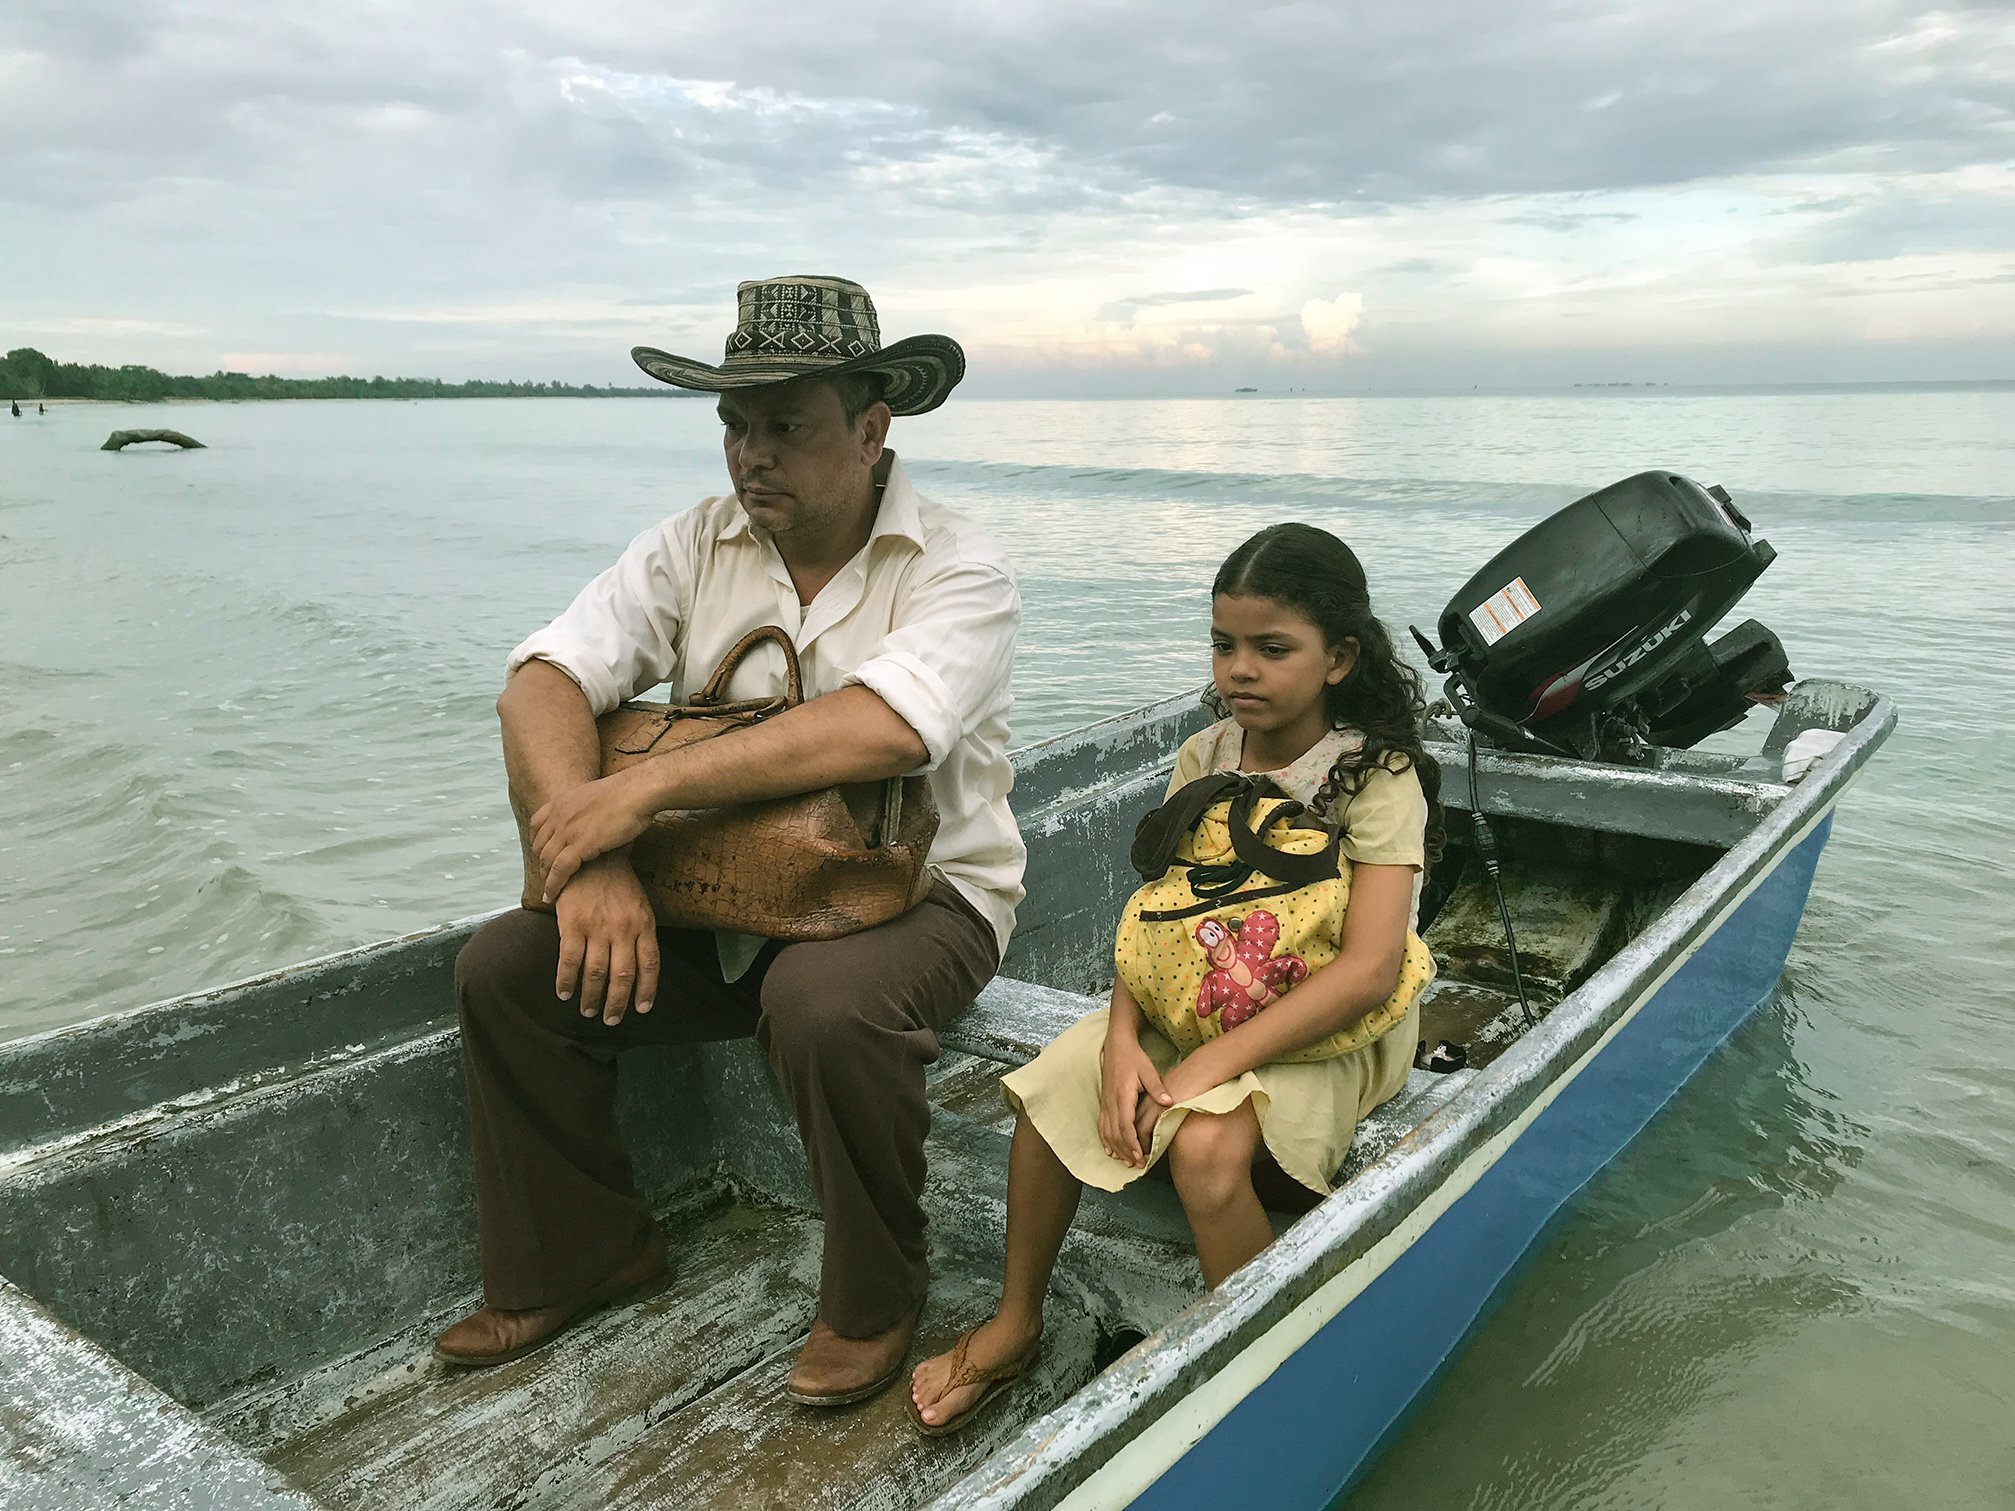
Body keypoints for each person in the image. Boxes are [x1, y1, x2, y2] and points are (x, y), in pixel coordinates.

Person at [436, 276, 1026, 1410]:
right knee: (504, 971)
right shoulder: (692, 545)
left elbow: (885, 725)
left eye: (785, 425)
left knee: (820, 999)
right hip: (725, 889)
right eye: (734, 424)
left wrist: (638, 794)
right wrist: (594, 857)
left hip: (921, 896)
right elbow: (541, 685)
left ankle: (873, 1291)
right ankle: (588, 1250)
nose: (750, 455)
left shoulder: (958, 568)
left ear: (869, 428)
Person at [909, 522, 1444, 1433]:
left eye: (1273, 649)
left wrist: (1198, 1072)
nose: (1240, 669)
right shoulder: (1204, 758)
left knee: (1204, 1145)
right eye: (1223, 644)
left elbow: (1366, 972)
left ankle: (1255, 1359)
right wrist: (1122, 1041)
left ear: (1339, 657)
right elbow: (1159, 923)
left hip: (1325, 1022)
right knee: (1048, 1094)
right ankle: (1015, 1319)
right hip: (1201, 991)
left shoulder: (1375, 777)